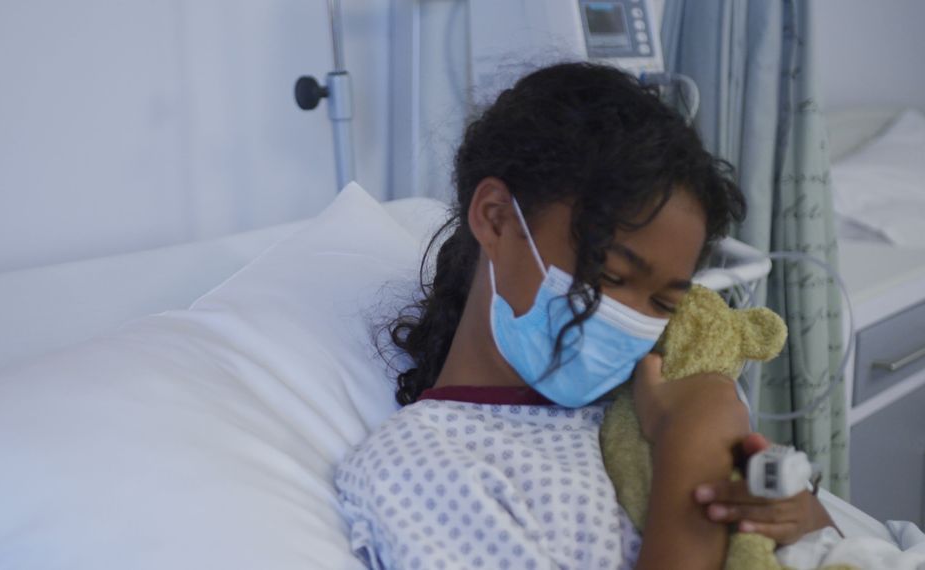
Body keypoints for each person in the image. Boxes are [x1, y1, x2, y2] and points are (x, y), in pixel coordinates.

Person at [334, 62, 835, 569]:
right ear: (497, 218)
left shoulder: (644, 404)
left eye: (664, 303)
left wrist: (805, 524)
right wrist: (698, 434)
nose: (632, 320)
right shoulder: (421, 464)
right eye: (611, 276)